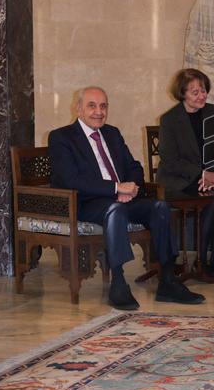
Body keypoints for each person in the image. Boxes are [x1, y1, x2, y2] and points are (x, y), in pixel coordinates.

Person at [48, 86, 205, 310]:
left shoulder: (112, 133)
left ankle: (168, 280)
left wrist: (131, 187)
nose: (98, 111)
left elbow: (133, 167)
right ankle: (119, 283)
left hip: (120, 199)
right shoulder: (62, 137)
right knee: (115, 210)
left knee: (160, 206)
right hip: (84, 203)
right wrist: (115, 189)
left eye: (103, 106)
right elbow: (70, 179)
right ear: (78, 108)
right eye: (91, 106)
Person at [157, 68, 214, 282]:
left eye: (203, 90)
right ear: (182, 93)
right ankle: (199, 262)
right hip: (180, 180)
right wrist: (202, 174)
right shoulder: (169, 120)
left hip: (211, 174)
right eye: (194, 92)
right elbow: (170, 160)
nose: (201, 96)